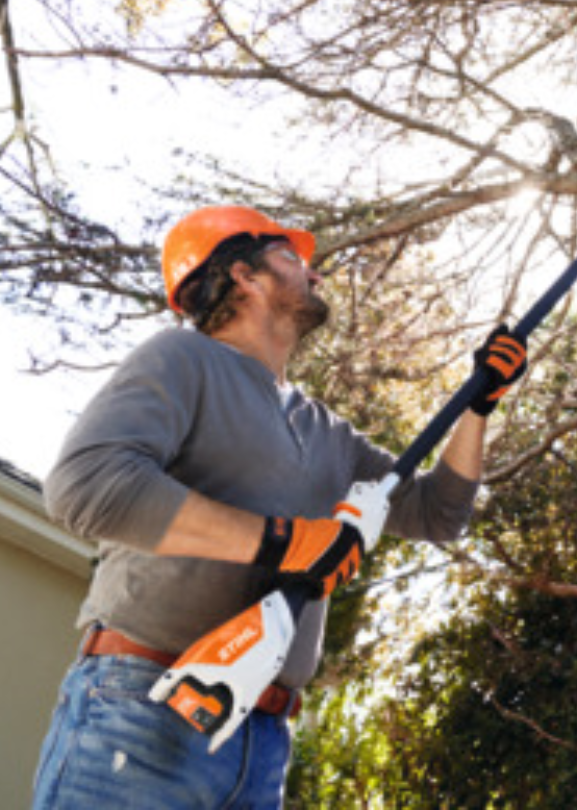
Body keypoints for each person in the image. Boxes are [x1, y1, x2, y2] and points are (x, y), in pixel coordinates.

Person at [32, 205, 527, 809]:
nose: (314, 274)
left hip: (262, 742)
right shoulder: (183, 360)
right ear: (244, 275)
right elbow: (85, 484)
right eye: (293, 258)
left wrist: (479, 406)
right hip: (142, 712)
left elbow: (437, 514)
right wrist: (281, 540)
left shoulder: (327, 432)